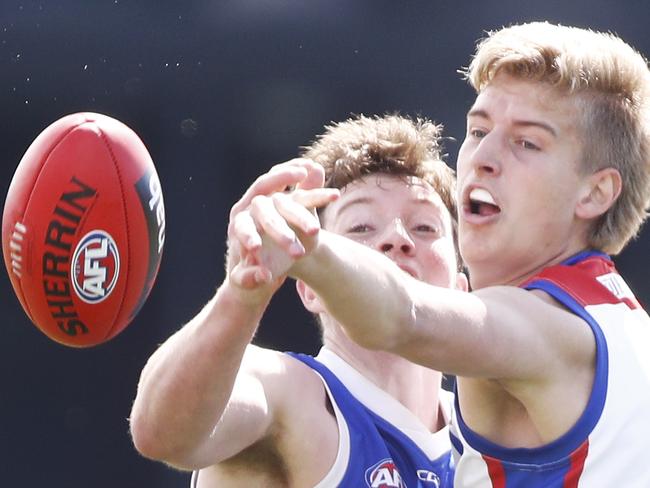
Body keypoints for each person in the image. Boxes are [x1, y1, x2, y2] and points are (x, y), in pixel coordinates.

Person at [240, 22, 650, 486]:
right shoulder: (626, 326)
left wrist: (302, 243)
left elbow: (400, 315)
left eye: (527, 142)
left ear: (595, 193)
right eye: (478, 130)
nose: (482, 157)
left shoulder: (547, 324)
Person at [129, 114, 468, 487]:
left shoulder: (487, 441)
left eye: (424, 227)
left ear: (461, 289)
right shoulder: (293, 395)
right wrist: (241, 295)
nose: (397, 237)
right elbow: (162, 434)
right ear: (310, 287)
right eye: (362, 226)